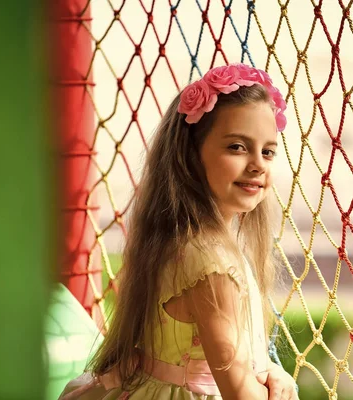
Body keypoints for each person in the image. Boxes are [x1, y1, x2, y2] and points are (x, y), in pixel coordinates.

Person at [59, 63, 298, 400]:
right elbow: (238, 391)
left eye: (268, 151)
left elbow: (227, 357)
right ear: (190, 158)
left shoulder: (185, 243)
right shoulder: (212, 262)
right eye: (237, 147)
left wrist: (269, 370)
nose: (258, 163)